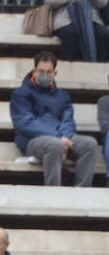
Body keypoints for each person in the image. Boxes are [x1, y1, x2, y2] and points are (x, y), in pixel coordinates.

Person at [10, 51, 99, 187]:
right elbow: (25, 123)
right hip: (33, 140)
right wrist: (58, 137)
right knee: (55, 145)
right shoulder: (20, 94)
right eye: (41, 71)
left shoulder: (63, 95)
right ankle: (54, 192)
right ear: (33, 72)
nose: (44, 75)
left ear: (54, 74)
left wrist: (65, 136)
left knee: (89, 144)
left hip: (61, 137)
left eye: (48, 71)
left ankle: (81, 191)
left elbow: (67, 120)